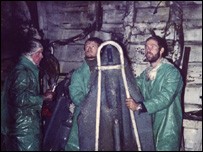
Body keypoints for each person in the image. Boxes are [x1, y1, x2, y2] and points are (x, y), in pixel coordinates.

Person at [126, 35, 183, 151]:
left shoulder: (171, 72)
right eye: (146, 46)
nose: (148, 49)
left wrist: (139, 107)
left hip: (167, 124)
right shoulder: (146, 73)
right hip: (150, 122)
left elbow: (165, 97)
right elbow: (134, 86)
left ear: (161, 50)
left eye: (153, 46)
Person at [1, 39, 55, 151]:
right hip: (24, 129)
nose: (42, 56)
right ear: (31, 54)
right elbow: (19, 99)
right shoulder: (23, 72)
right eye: (39, 53)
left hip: (19, 125)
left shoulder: (20, 69)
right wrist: (44, 98)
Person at [65, 37, 103, 151]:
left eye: (92, 46)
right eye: (87, 46)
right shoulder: (78, 73)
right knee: (77, 143)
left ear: (100, 50)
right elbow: (75, 92)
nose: (89, 48)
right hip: (83, 112)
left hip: (103, 113)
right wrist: (88, 105)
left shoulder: (107, 70)